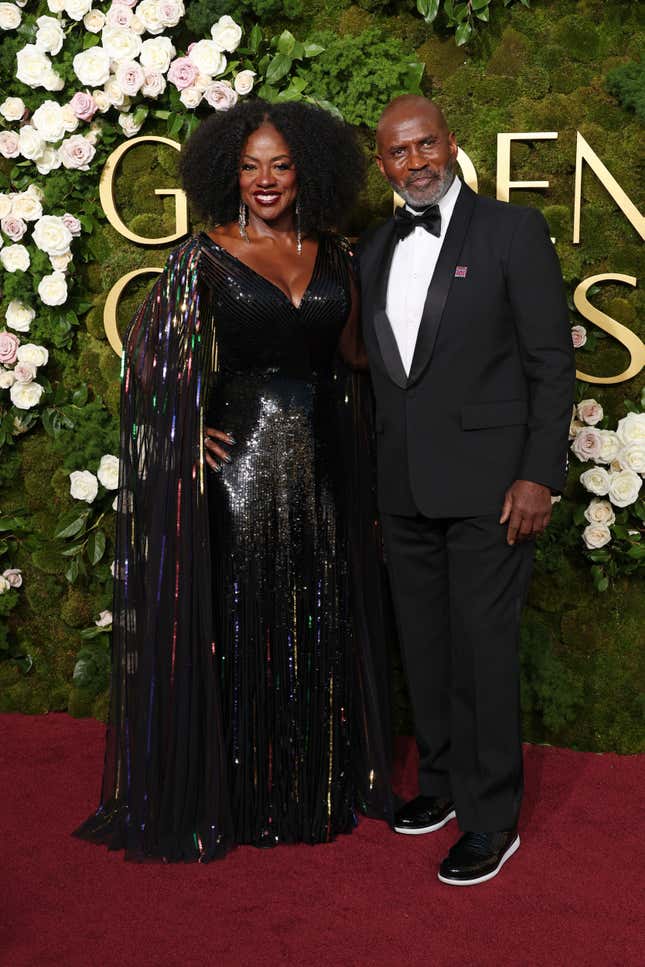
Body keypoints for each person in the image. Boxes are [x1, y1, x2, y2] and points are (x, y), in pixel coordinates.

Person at [74, 100, 393, 862]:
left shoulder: (337, 254)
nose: (264, 180)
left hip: (321, 462)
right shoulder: (201, 256)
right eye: (250, 165)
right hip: (241, 465)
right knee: (245, 618)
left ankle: (310, 785)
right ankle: (245, 795)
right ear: (228, 172)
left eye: (279, 164)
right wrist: (183, 434)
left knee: (317, 613)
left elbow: (355, 354)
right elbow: (146, 367)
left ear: (306, 170)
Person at [359, 95, 575, 885]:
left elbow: (550, 361)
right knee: (425, 644)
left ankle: (491, 820)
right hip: (404, 486)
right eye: (396, 153)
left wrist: (537, 473)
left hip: (493, 487)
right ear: (381, 164)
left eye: (424, 146)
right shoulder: (375, 246)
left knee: (482, 653)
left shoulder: (511, 231)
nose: (414, 163)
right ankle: (444, 785)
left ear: (450, 144)